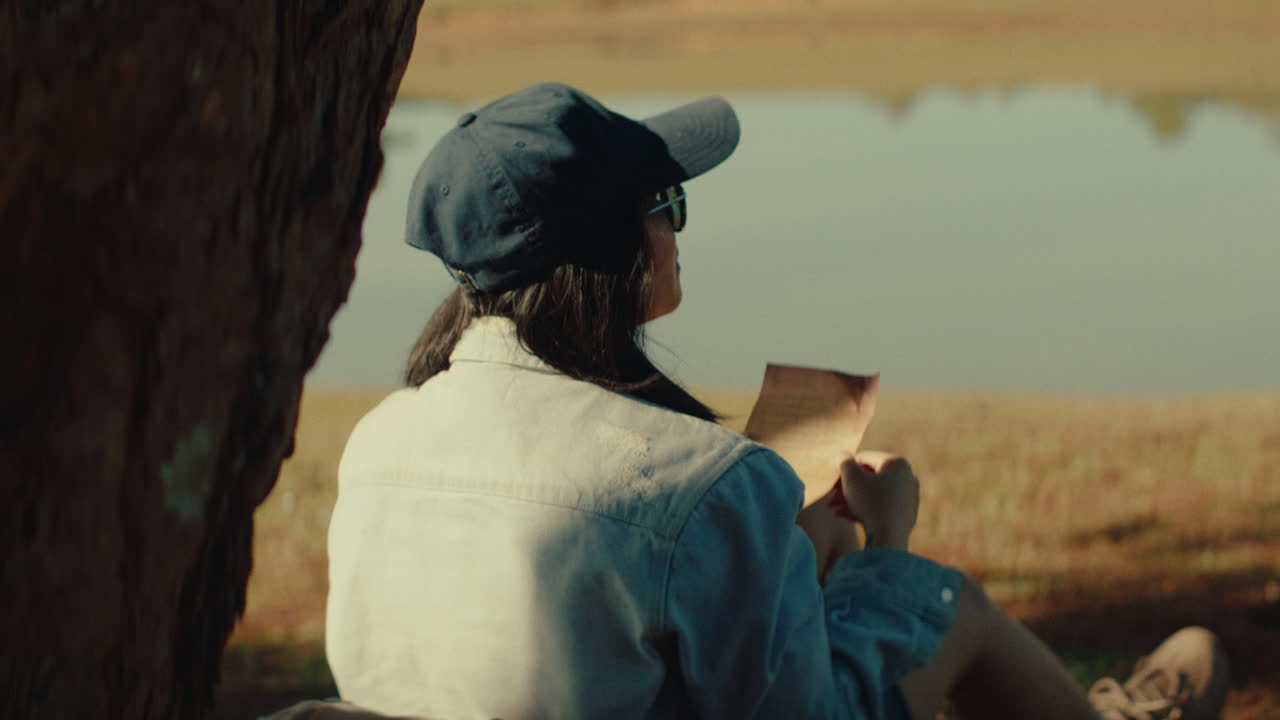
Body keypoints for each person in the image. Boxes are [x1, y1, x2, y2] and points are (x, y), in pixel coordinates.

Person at [308, 83, 1229, 720]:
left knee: (799, 547)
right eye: (666, 199)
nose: (676, 225)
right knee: (948, 607)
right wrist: (888, 546)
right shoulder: (697, 483)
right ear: (612, 249)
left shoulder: (381, 438)